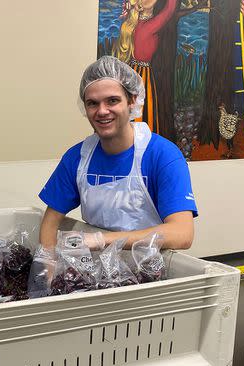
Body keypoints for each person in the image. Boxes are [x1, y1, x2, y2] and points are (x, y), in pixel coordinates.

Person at [37, 56, 198, 255]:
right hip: (94, 272)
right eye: (92, 103)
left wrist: (101, 240)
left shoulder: (162, 155)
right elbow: (50, 224)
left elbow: (182, 233)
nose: (102, 111)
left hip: (148, 272)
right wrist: (48, 270)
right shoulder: (78, 157)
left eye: (112, 101)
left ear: (132, 100)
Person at [112, 0, 178, 133]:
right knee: (143, 112)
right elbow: (169, 10)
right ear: (142, 4)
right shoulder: (149, 26)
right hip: (142, 75)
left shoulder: (135, 24)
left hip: (134, 71)